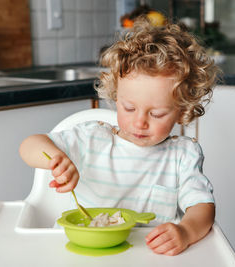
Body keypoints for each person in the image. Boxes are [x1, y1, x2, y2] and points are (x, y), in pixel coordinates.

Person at [20, 18, 221, 256]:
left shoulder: (183, 155)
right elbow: (29, 145)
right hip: (81, 253)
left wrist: (186, 232)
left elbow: (202, 207)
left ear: (182, 110)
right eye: (128, 108)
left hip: (147, 256)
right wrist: (55, 158)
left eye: (156, 114)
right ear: (116, 97)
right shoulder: (91, 138)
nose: (140, 122)